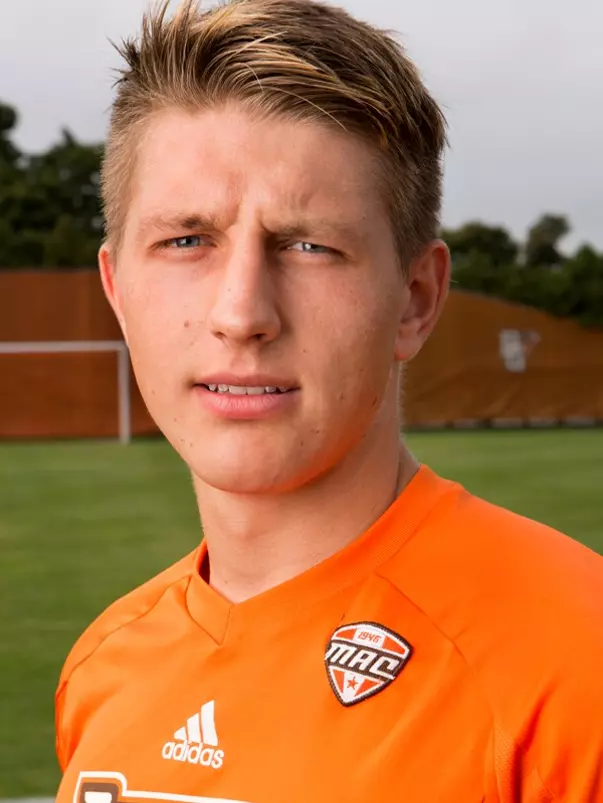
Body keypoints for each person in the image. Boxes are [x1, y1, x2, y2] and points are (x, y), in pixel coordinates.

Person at [54, 1, 603, 801]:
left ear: (414, 299)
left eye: (309, 245)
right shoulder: (104, 663)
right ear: (117, 289)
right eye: (186, 240)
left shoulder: (576, 663)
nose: (241, 313)